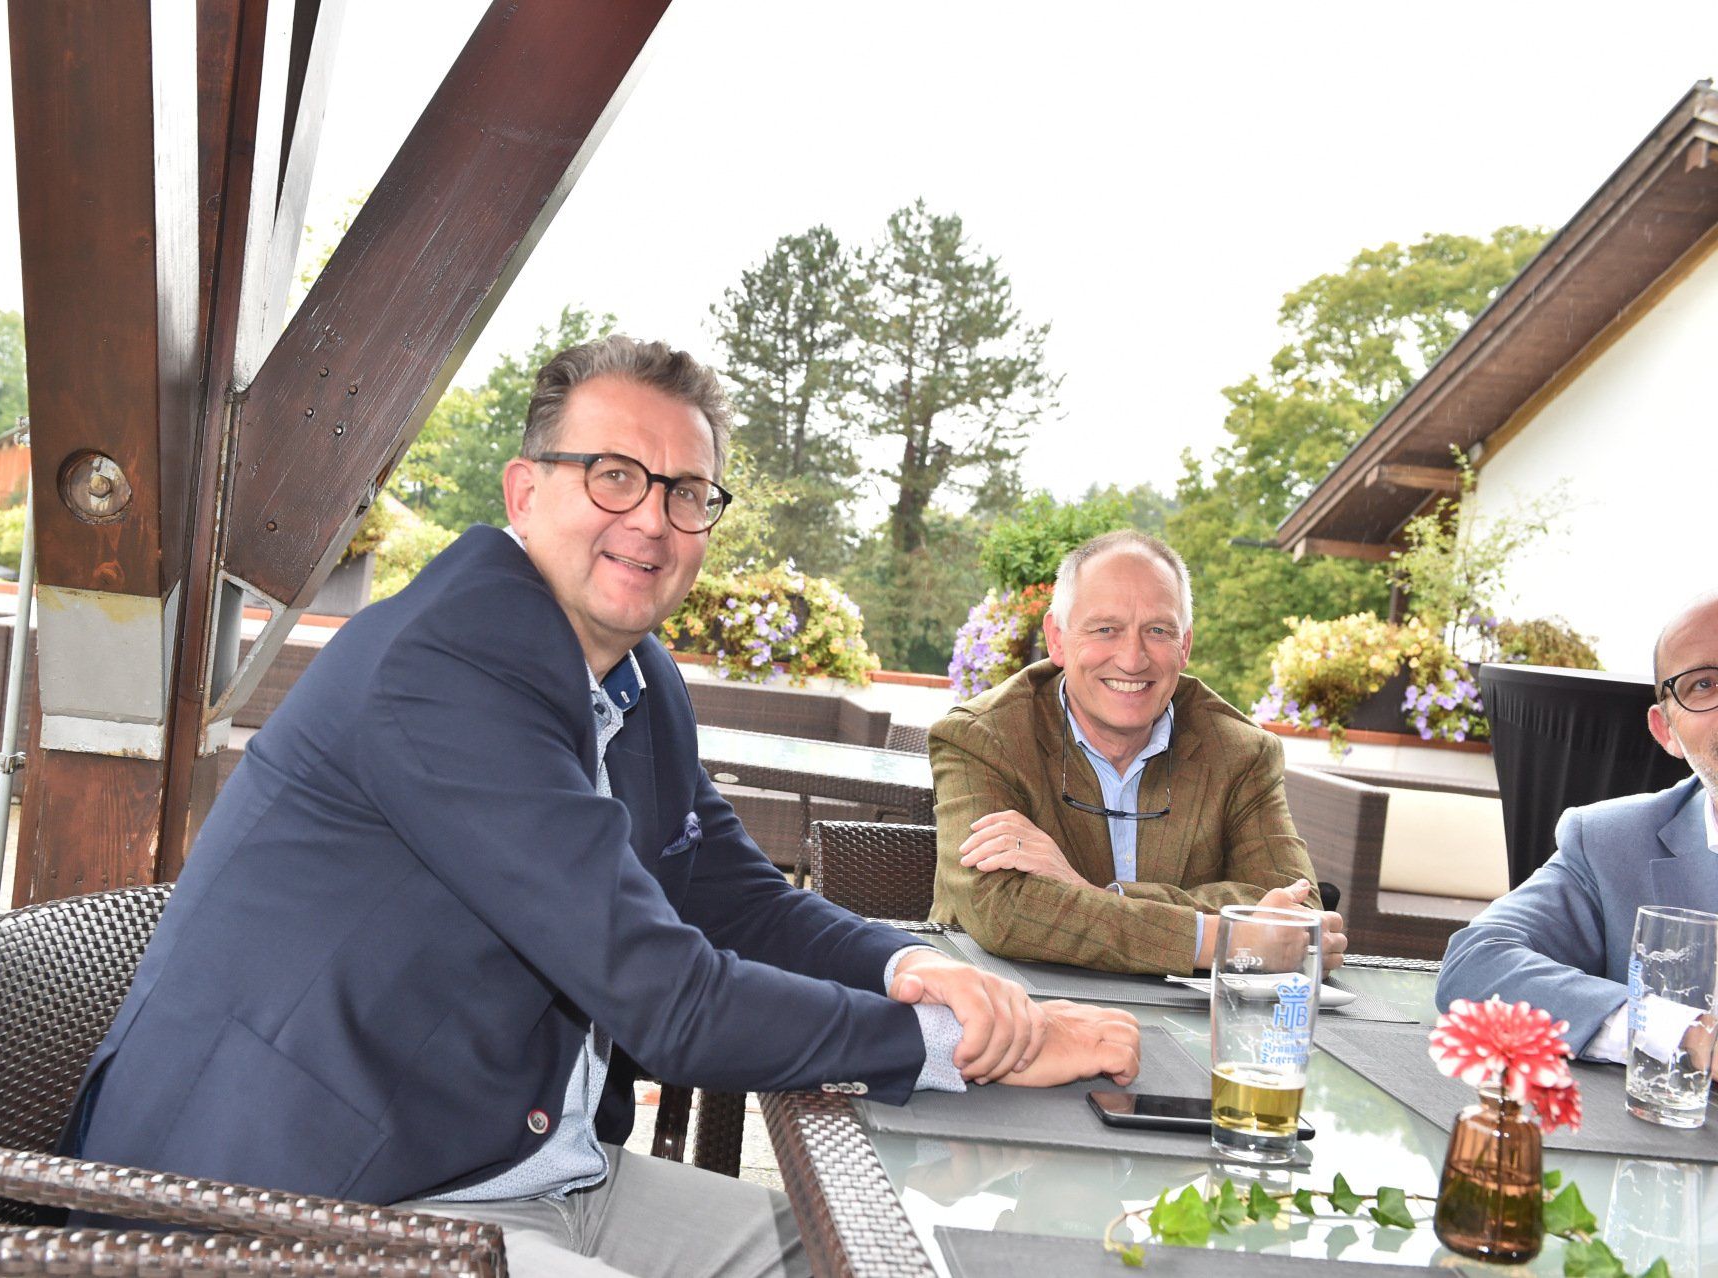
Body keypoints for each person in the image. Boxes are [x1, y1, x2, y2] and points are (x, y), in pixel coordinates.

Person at [61, 336, 1141, 1278]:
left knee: (876, 1260)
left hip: (526, 1169)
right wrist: (963, 1043)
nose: (652, 522)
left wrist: (907, 966)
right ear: (525, 493)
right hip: (307, 1201)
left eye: (686, 493)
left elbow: (733, 896)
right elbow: (670, 1002)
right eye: (614, 476)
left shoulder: (634, 676)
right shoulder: (447, 668)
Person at [929, 530, 1347, 975]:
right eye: (1105, 629)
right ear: (1057, 638)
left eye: (1158, 631)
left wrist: (1096, 894)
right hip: (1004, 1002)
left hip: (1183, 1013)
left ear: (1184, 646)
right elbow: (1002, 911)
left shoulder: (1240, 753)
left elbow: (1297, 915)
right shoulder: (982, 737)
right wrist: (1225, 940)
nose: (1132, 659)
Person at [1437, 592, 1718, 1061]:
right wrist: (1686, 1036)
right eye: (1704, 685)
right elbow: (1475, 964)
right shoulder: (1614, 843)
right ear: (1666, 731)